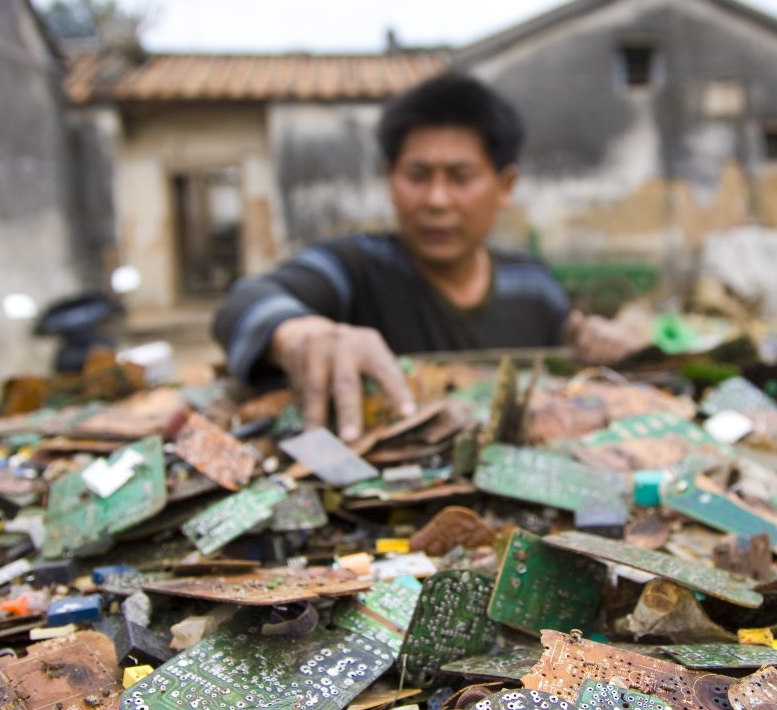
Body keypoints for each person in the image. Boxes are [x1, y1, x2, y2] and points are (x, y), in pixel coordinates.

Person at [213, 73, 644, 440]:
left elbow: (570, 336)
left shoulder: (534, 285)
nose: (437, 200)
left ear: (505, 186)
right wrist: (299, 333)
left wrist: (600, 339)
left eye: (461, 177)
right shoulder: (355, 268)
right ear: (390, 180)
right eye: (417, 176)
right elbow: (247, 301)